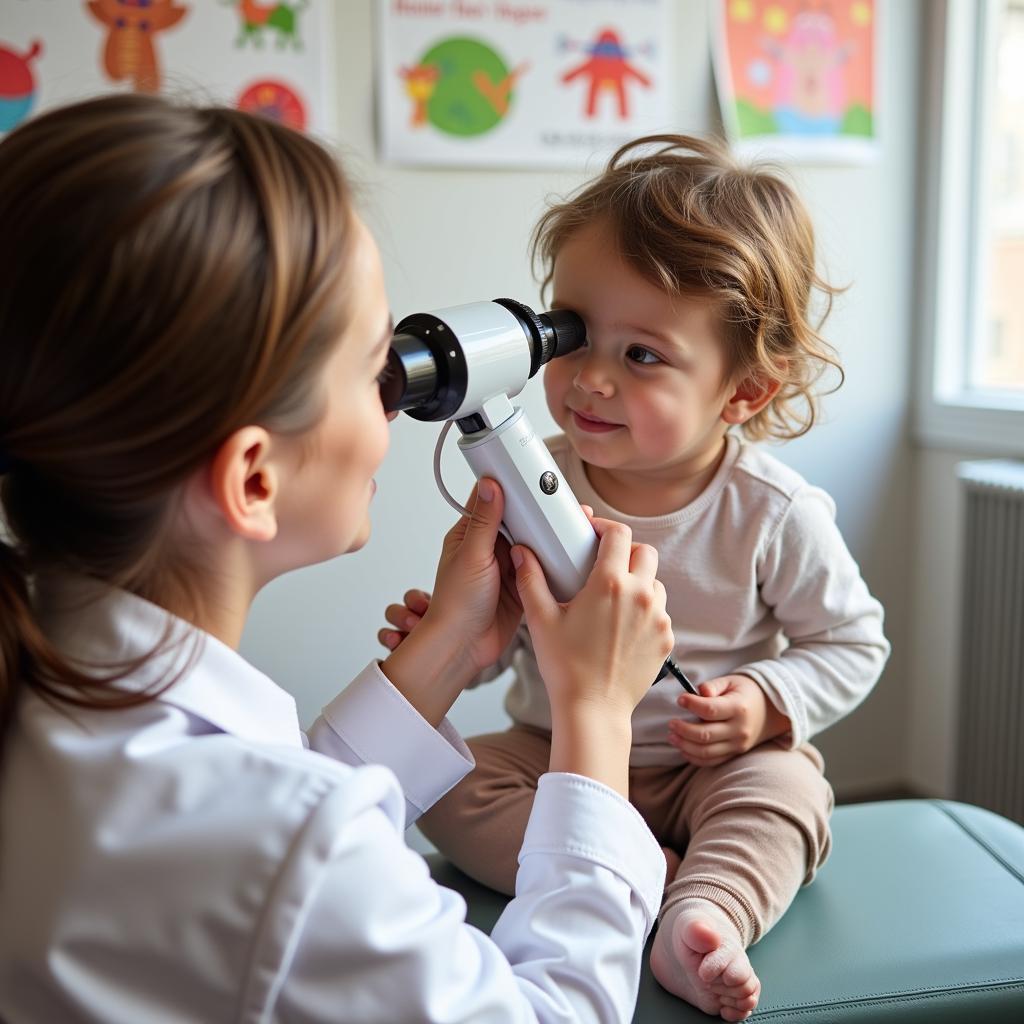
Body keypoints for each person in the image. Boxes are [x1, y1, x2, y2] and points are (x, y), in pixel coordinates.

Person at [0, 94, 679, 1023]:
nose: (394, 408)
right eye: (374, 372)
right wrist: (596, 717)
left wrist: (444, 652)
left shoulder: (56, 701)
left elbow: (260, 843)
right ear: (253, 477)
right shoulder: (281, 845)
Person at [381, 134, 892, 1023]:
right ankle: (630, 873)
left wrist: (766, 702)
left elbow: (851, 641)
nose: (589, 379)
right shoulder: (527, 481)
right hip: (558, 760)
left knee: (789, 790)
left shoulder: (771, 512)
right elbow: (507, 633)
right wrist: (462, 644)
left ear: (743, 394)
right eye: (572, 335)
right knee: (444, 782)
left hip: (709, 765)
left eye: (642, 356)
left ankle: (701, 912)